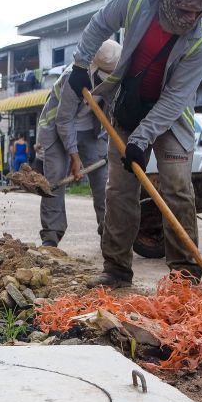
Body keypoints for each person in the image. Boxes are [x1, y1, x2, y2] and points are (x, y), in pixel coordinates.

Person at [68, 0, 202, 289]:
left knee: (176, 188)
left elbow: (174, 99)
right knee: (120, 190)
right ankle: (117, 269)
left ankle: (185, 277)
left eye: (196, 13)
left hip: (170, 118)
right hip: (127, 105)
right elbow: (100, 24)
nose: (189, 19)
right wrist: (81, 63)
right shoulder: (135, 1)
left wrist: (142, 138)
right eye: (182, 10)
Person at [37, 39, 122, 247]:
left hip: (90, 131)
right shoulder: (72, 77)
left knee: (103, 181)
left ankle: (108, 234)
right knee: (55, 180)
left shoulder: (114, 75)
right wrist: (74, 157)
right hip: (57, 129)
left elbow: (113, 111)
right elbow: (63, 120)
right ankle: (51, 235)